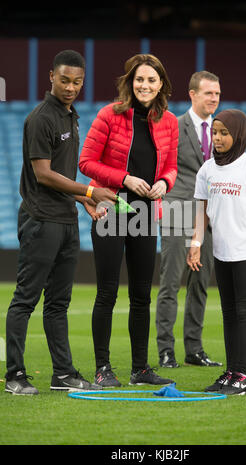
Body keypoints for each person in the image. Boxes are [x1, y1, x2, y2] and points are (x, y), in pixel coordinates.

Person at [5, 50, 116, 396]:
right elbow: (43, 175)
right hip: (41, 221)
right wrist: (90, 190)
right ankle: (15, 375)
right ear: (51, 76)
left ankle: (63, 374)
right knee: (26, 299)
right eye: (64, 80)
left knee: (58, 303)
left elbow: (63, 174)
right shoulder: (40, 118)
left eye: (77, 81)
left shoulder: (71, 115)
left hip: (66, 220)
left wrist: (84, 201)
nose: (70, 87)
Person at [79, 54, 178, 387]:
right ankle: (102, 369)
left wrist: (165, 182)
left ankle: (140, 369)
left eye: (151, 80)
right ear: (129, 82)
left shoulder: (170, 121)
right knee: (107, 293)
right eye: (139, 79)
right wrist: (124, 179)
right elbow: (86, 162)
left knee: (141, 295)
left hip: (146, 213)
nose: (145, 85)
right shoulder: (109, 114)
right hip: (112, 208)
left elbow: (171, 167)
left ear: (160, 83)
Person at [187, 109, 246, 395]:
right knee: (228, 313)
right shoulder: (207, 169)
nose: (217, 138)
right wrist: (196, 243)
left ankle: (244, 377)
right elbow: (201, 211)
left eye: (224, 133)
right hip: (222, 252)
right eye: (215, 132)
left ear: (238, 134)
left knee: (243, 311)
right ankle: (231, 373)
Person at [156, 71, 222, 368]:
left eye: (217, 94)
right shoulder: (172, 124)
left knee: (200, 284)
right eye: (209, 93)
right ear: (193, 94)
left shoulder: (221, 129)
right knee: (170, 284)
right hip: (176, 209)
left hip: (209, 215)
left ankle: (194, 349)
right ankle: (166, 351)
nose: (214, 98)